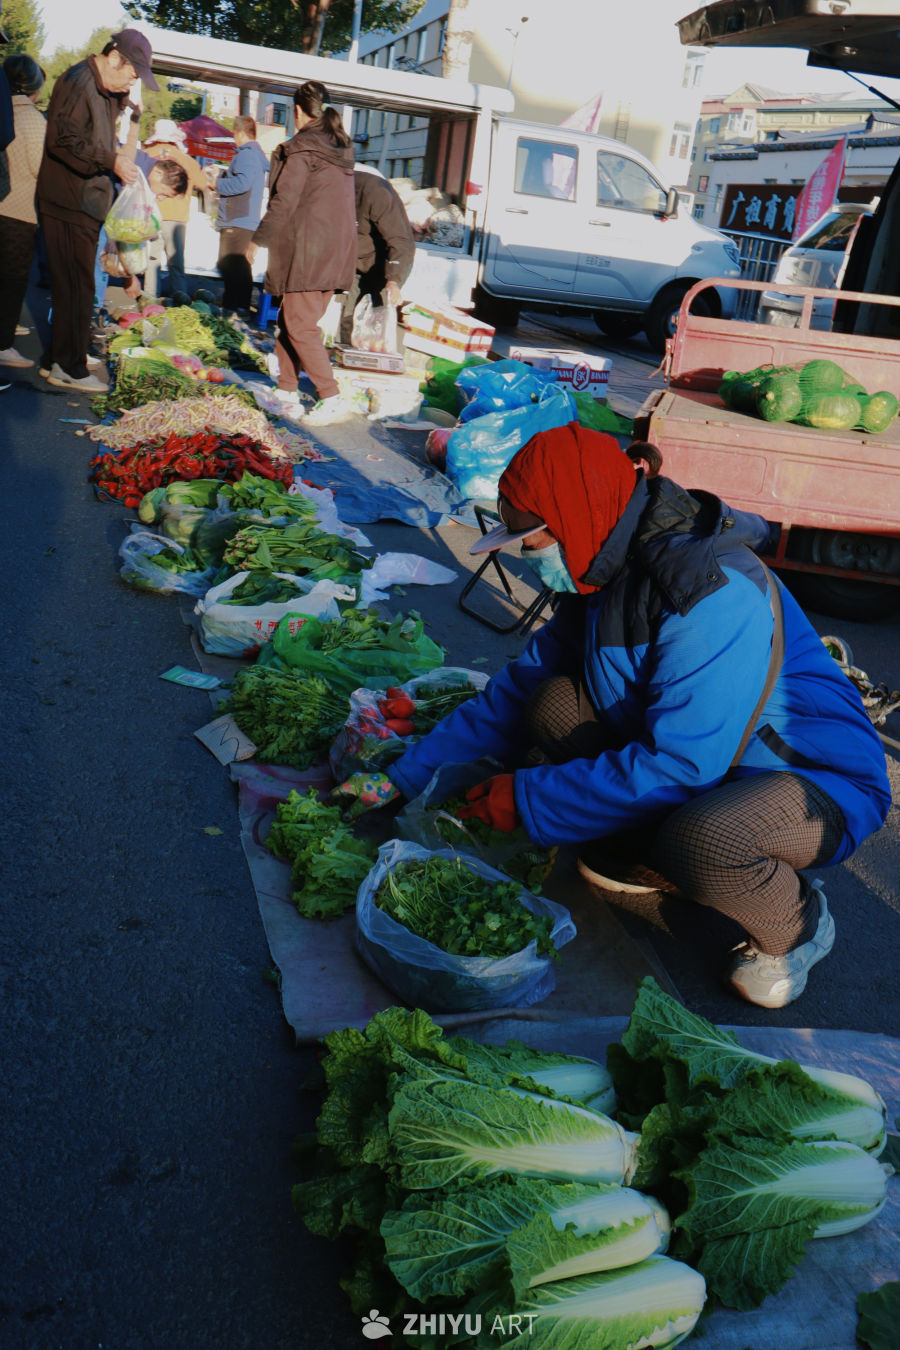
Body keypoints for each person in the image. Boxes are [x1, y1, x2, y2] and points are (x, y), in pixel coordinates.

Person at [334, 423, 891, 1010]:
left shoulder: (708, 592)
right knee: (550, 703)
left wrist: (528, 797)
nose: (527, 558)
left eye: (529, 542)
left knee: (708, 840)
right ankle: (658, 852)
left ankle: (797, 923)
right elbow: (515, 691)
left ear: (570, 520)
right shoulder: (600, 567)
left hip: (810, 780)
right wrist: (400, 778)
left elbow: (683, 763)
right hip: (712, 760)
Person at [36, 28, 158, 393]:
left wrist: (125, 108)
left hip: (85, 201)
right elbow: (63, 140)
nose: (132, 83)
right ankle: (68, 366)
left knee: (76, 285)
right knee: (75, 284)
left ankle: (62, 354)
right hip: (68, 199)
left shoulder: (106, 89)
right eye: (133, 75)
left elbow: (93, 136)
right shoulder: (79, 81)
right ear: (116, 58)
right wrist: (111, 160)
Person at [252, 80, 357, 426]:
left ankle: (331, 396)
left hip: (311, 252)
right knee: (290, 321)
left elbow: (284, 200)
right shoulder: (335, 149)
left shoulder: (304, 149)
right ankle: (286, 389)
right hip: (332, 252)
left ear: (297, 112)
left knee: (300, 325)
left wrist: (258, 240)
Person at [0, 54, 45, 371]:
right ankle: (3, 345)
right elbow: (39, 168)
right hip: (19, 211)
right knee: (12, 282)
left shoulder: (4, 111)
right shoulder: (33, 119)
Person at [339, 164, 416, 346]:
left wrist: (393, 280)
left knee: (377, 318)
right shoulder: (331, 191)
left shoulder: (375, 193)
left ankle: (375, 357)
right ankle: (347, 355)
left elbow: (399, 241)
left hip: (388, 261)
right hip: (358, 261)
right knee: (349, 317)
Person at [140, 117, 206, 298]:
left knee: (152, 260)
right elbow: (202, 184)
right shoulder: (187, 161)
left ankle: (149, 298)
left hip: (150, 215)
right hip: (177, 218)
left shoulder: (146, 154)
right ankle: (179, 298)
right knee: (175, 262)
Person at [207, 114, 268, 314]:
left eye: (235, 133)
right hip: (244, 219)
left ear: (240, 133)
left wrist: (217, 183)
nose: (234, 138)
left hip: (237, 218)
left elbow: (243, 183)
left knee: (231, 267)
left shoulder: (247, 155)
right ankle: (238, 309)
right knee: (238, 268)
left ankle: (234, 311)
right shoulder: (255, 155)